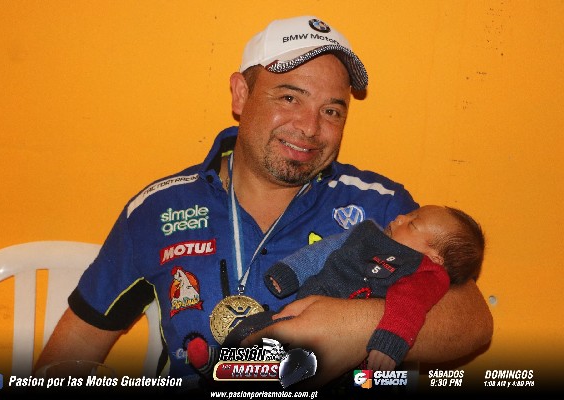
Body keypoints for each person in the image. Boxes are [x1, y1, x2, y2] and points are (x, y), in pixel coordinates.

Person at [34, 15, 493, 391]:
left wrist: (351, 326)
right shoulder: (158, 210)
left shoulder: (384, 207)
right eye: (289, 97)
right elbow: (79, 341)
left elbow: (472, 321)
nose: (310, 127)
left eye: (332, 110)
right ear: (241, 94)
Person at [220, 205, 485, 373]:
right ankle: (224, 363)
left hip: (352, 357)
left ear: (435, 259)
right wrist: (289, 273)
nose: (400, 217)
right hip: (294, 313)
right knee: (251, 331)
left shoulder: (423, 273)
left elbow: (408, 306)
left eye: (412, 223)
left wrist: (389, 343)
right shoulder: (367, 234)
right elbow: (325, 250)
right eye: (409, 214)